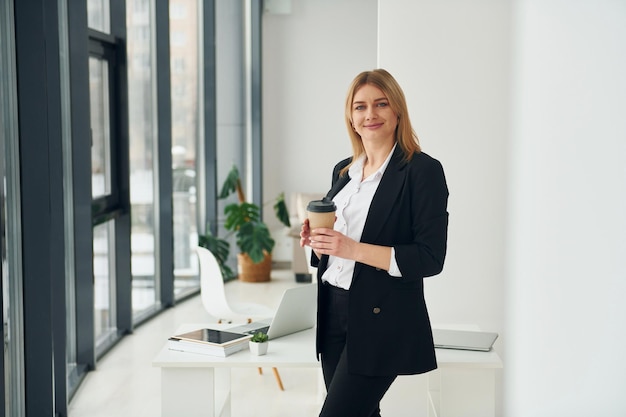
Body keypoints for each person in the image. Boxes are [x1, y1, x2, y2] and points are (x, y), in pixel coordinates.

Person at [300, 68, 449, 417]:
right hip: (333, 312)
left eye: (381, 104)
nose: (370, 114)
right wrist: (318, 245)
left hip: (383, 319)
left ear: (397, 111)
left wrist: (351, 249)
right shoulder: (343, 172)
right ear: (351, 118)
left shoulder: (421, 171)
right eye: (360, 106)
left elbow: (429, 258)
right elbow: (333, 251)